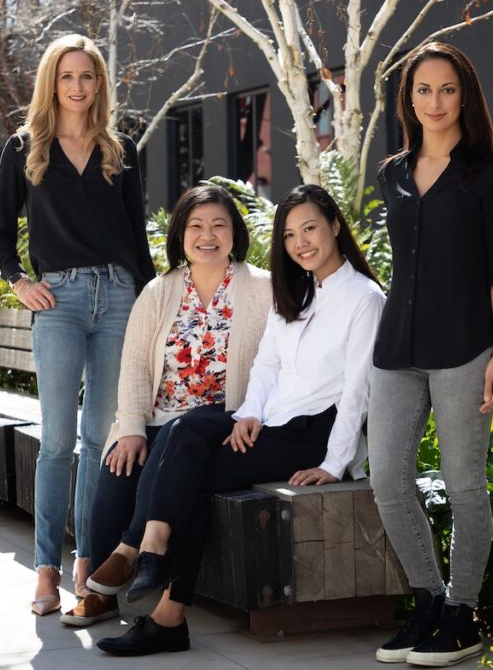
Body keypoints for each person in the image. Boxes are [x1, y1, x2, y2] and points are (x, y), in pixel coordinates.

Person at [94, 184, 385, 656]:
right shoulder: (299, 292)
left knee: (196, 476)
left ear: (335, 226)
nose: (301, 242)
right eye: (290, 234)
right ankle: (151, 546)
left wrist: (334, 463)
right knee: (182, 429)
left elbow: (358, 391)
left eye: (310, 228)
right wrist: (249, 413)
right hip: (272, 421)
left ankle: (163, 601)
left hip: (314, 435)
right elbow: (268, 364)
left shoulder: (363, 298)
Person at [368, 41, 493, 665]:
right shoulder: (392, 173)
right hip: (397, 348)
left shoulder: (489, 175)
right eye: (423, 90)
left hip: (464, 346)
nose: (435, 102)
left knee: (464, 485)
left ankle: (465, 612)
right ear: (409, 98)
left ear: (466, 96)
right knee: (387, 481)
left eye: (448, 89)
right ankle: (430, 601)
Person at [0, 34, 156, 616]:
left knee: (98, 440)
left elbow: (138, 239)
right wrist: (18, 281)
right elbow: (0, 234)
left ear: (99, 83)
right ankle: (45, 569)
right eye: (68, 76)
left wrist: (151, 303)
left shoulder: (122, 150)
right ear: (51, 83)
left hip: (117, 298)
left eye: (88, 76)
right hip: (56, 301)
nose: (78, 87)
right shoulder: (24, 148)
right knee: (58, 442)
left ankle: (88, 561)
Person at [57, 184, 272, 626]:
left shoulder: (263, 289)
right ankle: (104, 593)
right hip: (158, 418)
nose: (207, 235)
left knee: (174, 443)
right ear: (180, 234)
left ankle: (118, 569)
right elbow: (134, 363)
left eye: (219, 225)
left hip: (220, 422)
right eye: (196, 225)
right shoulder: (159, 291)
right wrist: (133, 426)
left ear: (235, 233)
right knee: (117, 468)